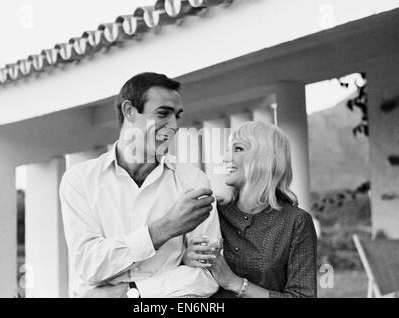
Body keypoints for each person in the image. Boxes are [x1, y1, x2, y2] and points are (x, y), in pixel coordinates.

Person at [59, 72, 221, 298]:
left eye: (177, 116)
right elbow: (88, 265)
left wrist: (131, 292)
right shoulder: (79, 180)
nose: (174, 125)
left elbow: (207, 276)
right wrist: (164, 229)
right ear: (129, 111)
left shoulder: (193, 182)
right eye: (163, 113)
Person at [183, 121, 318, 298]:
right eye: (228, 150)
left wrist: (234, 282)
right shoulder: (212, 211)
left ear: (265, 157)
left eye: (238, 149)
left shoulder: (296, 222)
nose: (226, 158)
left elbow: (303, 296)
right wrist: (187, 258)